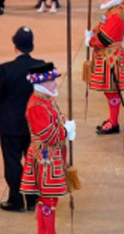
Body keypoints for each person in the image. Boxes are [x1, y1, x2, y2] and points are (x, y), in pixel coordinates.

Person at [20, 62, 74, 233]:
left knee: (49, 201)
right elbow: (50, 136)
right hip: (45, 158)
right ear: (41, 83)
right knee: (48, 201)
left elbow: (58, 118)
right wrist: (66, 131)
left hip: (51, 156)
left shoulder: (46, 99)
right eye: (51, 81)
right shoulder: (37, 105)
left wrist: (64, 124)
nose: (55, 83)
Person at [0, 27, 42, 211]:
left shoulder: (5, 70)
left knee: (12, 163)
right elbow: (49, 93)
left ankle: (16, 200)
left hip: (10, 124)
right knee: (32, 161)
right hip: (34, 124)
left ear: (15, 45)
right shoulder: (42, 66)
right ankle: (33, 199)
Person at [85, 0, 124, 134]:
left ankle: (114, 122)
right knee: (109, 90)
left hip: (110, 58)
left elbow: (104, 40)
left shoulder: (116, 16)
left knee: (111, 90)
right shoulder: (111, 12)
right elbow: (101, 28)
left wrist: (91, 41)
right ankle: (112, 119)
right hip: (107, 56)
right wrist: (92, 32)